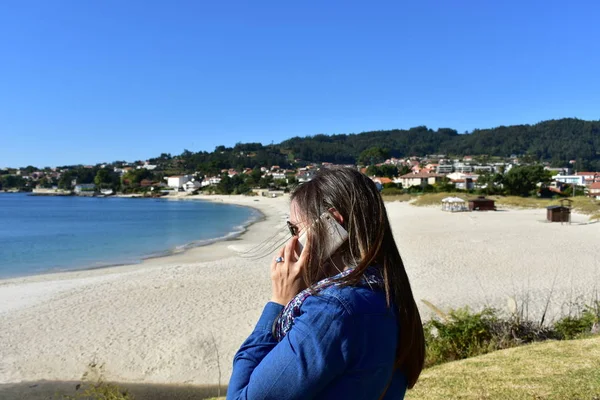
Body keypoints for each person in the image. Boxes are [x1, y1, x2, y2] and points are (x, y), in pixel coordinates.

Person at [227, 167, 424, 399]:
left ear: (333, 223)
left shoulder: (333, 310)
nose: (293, 241)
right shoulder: (387, 291)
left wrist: (278, 302)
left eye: (296, 229)